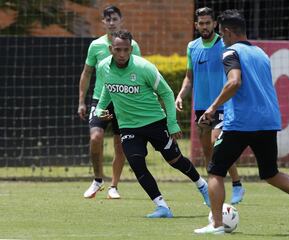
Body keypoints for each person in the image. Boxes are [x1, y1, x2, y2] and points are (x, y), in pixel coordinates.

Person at [194, 9, 289, 234]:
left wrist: (213, 107)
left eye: (221, 34)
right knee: (270, 173)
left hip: (242, 122)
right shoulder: (261, 53)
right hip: (267, 121)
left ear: (226, 32)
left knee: (215, 171)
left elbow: (234, 82)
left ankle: (216, 224)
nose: (221, 38)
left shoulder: (229, 52)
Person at [95, 30, 210, 218]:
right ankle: (162, 207)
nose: (122, 54)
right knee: (136, 163)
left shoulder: (144, 67)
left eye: (126, 50)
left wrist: (172, 124)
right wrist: (100, 110)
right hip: (128, 126)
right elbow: (106, 91)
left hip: (155, 123)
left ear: (131, 49)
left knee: (175, 161)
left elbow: (167, 93)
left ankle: (202, 186)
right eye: (118, 50)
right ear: (111, 49)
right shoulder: (103, 67)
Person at [175, 7, 244, 205]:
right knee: (207, 150)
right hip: (201, 107)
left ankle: (237, 184)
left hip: (222, 106)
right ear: (196, 25)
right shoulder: (192, 46)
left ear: (215, 24)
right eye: (201, 23)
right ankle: (213, 190)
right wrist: (180, 95)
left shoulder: (224, 44)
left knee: (217, 143)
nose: (204, 26)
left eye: (208, 23)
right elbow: (189, 77)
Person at [78, 5, 141, 199]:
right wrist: (81, 101)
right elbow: (87, 73)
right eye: (108, 19)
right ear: (103, 22)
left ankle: (114, 186)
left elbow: (138, 74)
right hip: (101, 101)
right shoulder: (96, 46)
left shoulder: (133, 46)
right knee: (95, 137)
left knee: (120, 145)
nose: (112, 22)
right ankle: (98, 180)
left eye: (115, 19)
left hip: (122, 103)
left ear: (121, 20)